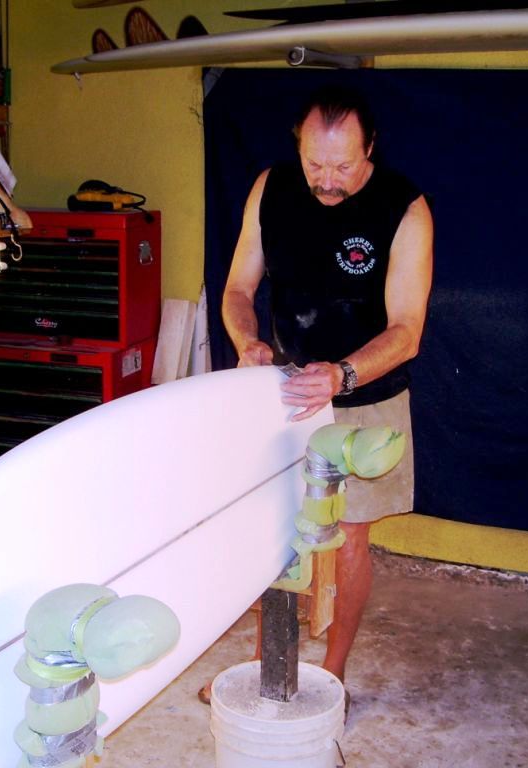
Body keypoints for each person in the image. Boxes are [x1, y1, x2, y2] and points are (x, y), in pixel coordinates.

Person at [218, 84, 434, 698]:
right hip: (287, 388)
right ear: (299, 147)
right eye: (315, 164)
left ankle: (334, 668)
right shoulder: (272, 188)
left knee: (349, 536)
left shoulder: (404, 208)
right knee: (274, 528)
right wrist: (248, 343)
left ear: (370, 148)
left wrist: (341, 375)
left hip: (367, 394)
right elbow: (237, 289)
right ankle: (268, 661)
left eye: (343, 166)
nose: (327, 181)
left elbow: (407, 332)